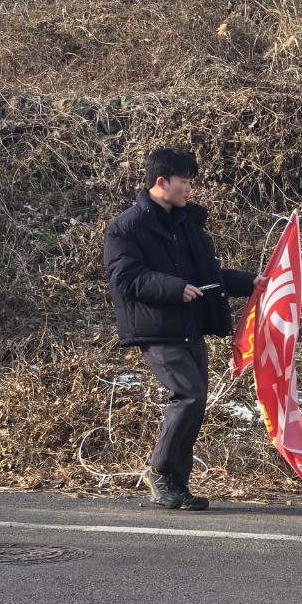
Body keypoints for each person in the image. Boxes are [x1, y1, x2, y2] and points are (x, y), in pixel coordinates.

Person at [104, 147, 268, 511]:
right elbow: (127, 278)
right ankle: (160, 474)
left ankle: (175, 485)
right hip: (158, 328)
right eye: (184, 181)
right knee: (189, 394)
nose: (189, 189)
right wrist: (174, 287)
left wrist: (250, 282)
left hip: (191, 326)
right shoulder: (127, 226)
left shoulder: (186, 223)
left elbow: (207, 277)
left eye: (191, 182)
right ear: (160, 182)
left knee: (195, 402)